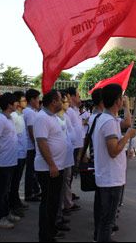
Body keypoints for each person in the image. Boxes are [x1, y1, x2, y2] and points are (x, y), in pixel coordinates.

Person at [92, 84, 136, 242]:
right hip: (110, 179)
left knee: (106, 220)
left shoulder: (108, 119)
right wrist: (127, 137)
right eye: (121, 98)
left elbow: (126, 123)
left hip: (109, 177)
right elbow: (113, 151)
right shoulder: (109, 122)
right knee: (107, 221)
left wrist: (127, 107)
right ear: (117, 100)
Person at [33, 90, 67, 242]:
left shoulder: (51, 116)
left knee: (53, 202)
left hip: (56, 167)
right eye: (61, 99)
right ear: (54, 102)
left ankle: (51, 231)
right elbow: (42, 142)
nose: (63, 102)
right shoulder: (41, 118)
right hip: (48, 169)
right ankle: (45, 236)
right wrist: (52, 164)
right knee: (47, 204)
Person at [0, 93, 21, 229]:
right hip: (2, 161)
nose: (17, 104)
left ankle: (6, 213)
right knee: (1, 191)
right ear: (9, 105)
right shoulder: (0, 119)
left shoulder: (9, 118)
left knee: (7, 189)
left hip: (10, 161)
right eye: (15, 102)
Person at [55, 91, 77, 231]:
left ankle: (60, 212)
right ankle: (57, 217)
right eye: (64, 101)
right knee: (57, 190)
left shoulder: (66, 116)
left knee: (65, 184)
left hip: (68, 156)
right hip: (58, 160)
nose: (66, 103)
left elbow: (71, 134)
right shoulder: (54, 118)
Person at [9, 91, 29, 217]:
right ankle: (13, 205)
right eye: (23, 100)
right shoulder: (13, 116)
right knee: (14, 181)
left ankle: (16, 202)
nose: (25, 102)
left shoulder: (21, 115)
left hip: (22, 152)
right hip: (16, 154)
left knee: (17, 180)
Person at [24, 89, 42, 202]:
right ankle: (29, 193)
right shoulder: (30, 112)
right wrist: (36, 145)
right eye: (37, 99)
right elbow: (31, 131)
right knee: (30, 171)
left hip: (30, 146)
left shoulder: (31, 111)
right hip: (30, 146)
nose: (38, 101)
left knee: (32, 170)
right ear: (32, 100)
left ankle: (35, 190)